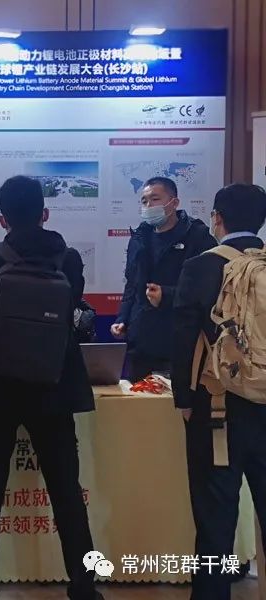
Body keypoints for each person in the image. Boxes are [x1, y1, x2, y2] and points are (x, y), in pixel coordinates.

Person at [0, 176, 101, 600]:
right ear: (45, 213)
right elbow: (70, 316)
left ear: (2, 218)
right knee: (66, 491)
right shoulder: (68, 260)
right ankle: (83, 585)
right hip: (53, 389)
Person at [172, 184, 266, 600]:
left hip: (217, 409)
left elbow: (183, 340)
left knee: (214, 521)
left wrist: (183, 399)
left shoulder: (200, 267)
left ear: (217, 218)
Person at [112, 177, 216, 381]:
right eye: (144, 201)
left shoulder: (198, 237)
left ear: (174, 203)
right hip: (141, 339)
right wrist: (123, 318)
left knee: (174, 400)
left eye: (155, 199)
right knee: (137, 397)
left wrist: (167, 295)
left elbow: (207, 288)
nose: (148, 206)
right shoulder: (139, 237)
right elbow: (131, 284)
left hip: (180, 340)